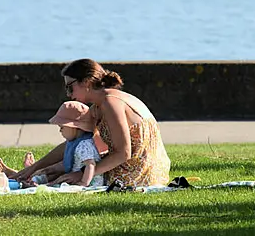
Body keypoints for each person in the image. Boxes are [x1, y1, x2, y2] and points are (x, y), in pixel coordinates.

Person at [14, 59, 171, 188]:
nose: (69, 94)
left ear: (87, 83)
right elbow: (74, 142)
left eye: (70, 87)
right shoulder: (100, 105)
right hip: (150, 171)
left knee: (69, 174)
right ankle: (29, 174)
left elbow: (123, 153)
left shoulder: (111, 103)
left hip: (137, 175)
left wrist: (83, 174)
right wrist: (35, 167)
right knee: (71, 165)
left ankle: (29, 179)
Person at [0, 100, 104, 188]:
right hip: (76, 175)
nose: (60, 131)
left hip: (88, 181)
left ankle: (30, 182)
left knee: (55, 182)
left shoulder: (84, 145)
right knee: (49, 174)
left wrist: (84, 183)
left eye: (62, 127)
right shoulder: (77, 143)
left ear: (75, 127)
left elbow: (91, 165)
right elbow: (66, 164)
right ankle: (27, 176)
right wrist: (46, 169)